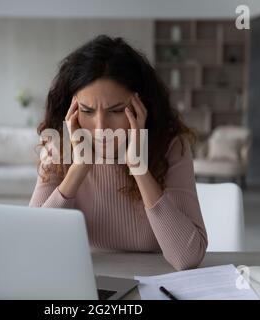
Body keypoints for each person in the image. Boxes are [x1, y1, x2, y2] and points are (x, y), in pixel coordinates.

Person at [29, 35, 207, 271]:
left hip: (152, 282)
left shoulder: (171, 147)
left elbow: (187, 258)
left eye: (116, 110)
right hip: (85, 280)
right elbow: (32, 245)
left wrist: (139, 168)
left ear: (141, 106)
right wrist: (79, 168)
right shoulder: (57, 147)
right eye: (87, 110)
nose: (101, 128)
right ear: (72, 110)